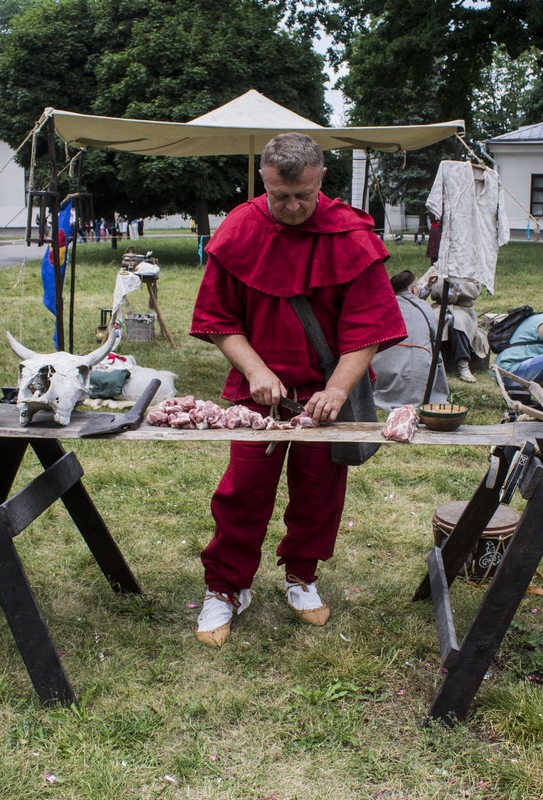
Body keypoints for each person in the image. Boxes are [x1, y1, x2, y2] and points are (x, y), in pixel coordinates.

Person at [189, 133, 405, 647]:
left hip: (324, 394)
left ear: (320, 179)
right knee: (242, 490)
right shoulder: (240, 228)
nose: (291, 207)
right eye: (279, 196)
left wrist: (335, 389)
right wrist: (256, 370)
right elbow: (219, 320)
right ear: (263, 178)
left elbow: (369, 329)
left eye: (302, 196)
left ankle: (302, 577)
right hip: (257, 393)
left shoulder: (350, 236)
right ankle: (226, 587)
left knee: (319, 493)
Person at [371, 270, 449, 409]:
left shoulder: (380, 305)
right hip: (418, 377)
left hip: (382, 373)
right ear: (413, 289)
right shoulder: (425, 307)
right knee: (434, 350)